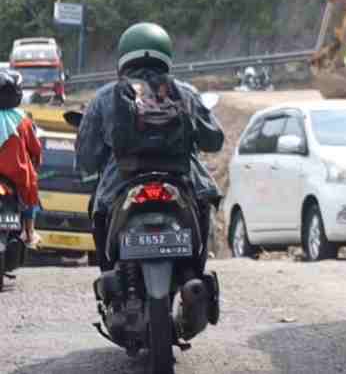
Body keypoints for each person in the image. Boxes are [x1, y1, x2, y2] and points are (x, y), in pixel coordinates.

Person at [75, 22, 225, 271]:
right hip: (183, 180)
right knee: (203, 204)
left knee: (99, 212)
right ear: (165, 55)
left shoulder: (104, 97)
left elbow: (87, 158)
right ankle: (197, 273)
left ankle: (109, 280)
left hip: (120, 184)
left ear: (123, 57)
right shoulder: (185, 92)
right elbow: (214, 140)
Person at [0, 72, 42, 247]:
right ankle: (30, 232)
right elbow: (36, 149)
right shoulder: (23, 120)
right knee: (30, 187)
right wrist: (35, 165)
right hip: (16, 176)